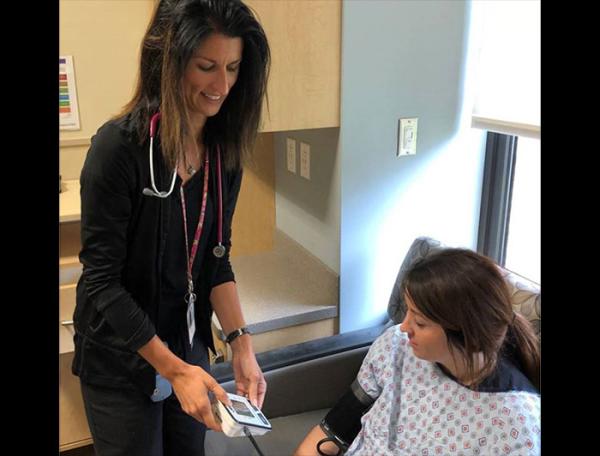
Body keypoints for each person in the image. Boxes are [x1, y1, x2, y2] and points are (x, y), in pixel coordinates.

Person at [71, 1, 270, 455]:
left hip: (188, 347)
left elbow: (216, 258)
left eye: (234, 68)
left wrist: (242, 346)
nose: (222, 86)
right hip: (122, 358)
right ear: (168, 61)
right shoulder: (118, 150)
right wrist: (173, 370)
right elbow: (102, 282)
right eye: (206, 67)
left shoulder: (224, 156)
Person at [294, 249, 541, 455]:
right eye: (408, 312)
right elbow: (334, 430)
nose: (403, 327)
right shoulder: (396, 348)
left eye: (420, 323)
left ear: (470, 337)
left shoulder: (515, 428)